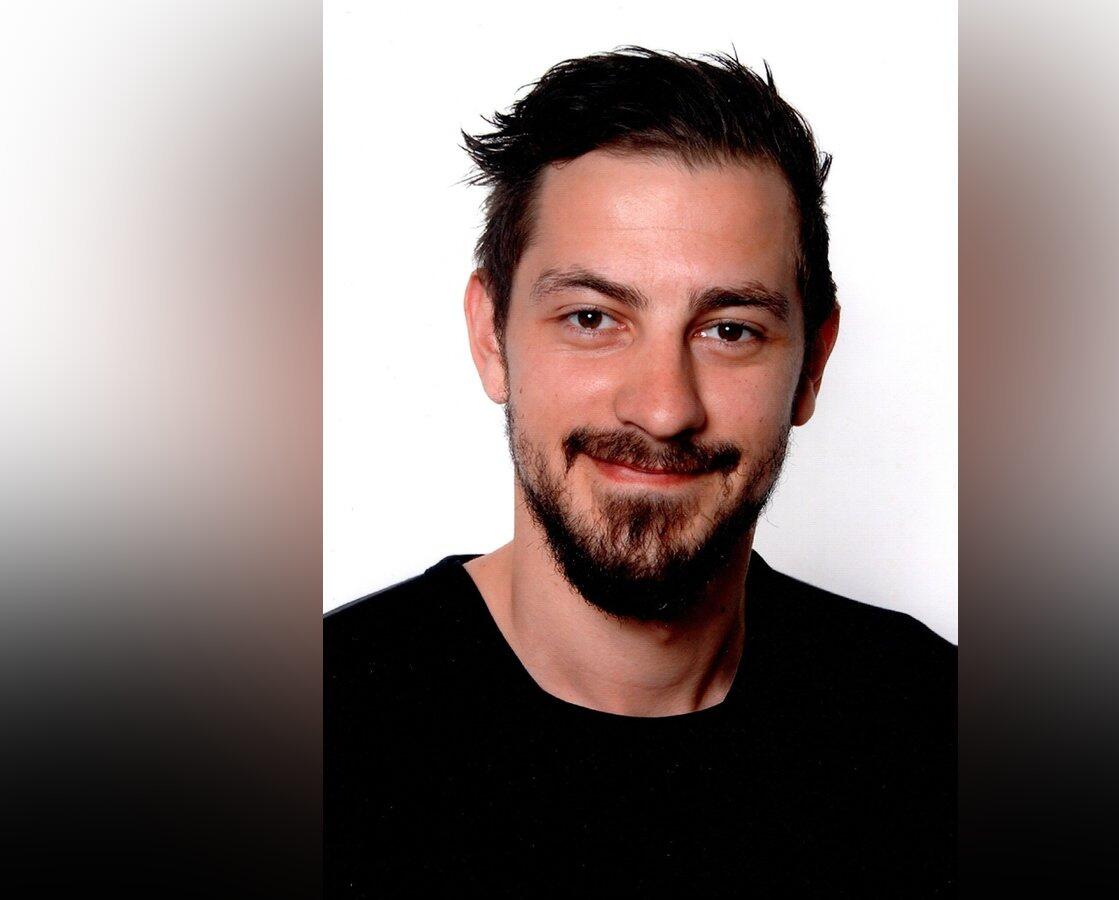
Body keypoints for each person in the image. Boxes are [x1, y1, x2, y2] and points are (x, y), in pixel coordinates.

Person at [325, 47, 954, 895]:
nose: (663, 409)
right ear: (490, 337)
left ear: (811, 364)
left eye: (730, 330)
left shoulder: (934, 725)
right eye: (592, 318)